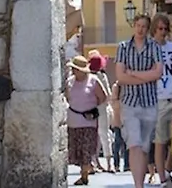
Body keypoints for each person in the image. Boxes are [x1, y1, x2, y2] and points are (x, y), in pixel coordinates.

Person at [115, 14, 164, 188]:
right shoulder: (123, 47)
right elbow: (120, 77)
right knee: (134, 144)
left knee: (144, 148)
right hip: (129, 102)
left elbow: (158, 73)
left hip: (149, 102)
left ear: (147, 29)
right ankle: (138, 185)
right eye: (138, 25)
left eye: (144, 26)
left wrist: (133, 73)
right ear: (134, 26)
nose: (140, 29)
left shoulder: (154, 47)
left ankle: (140, 182)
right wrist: (146, 76)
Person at [65, 55, 107, 186]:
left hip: (89, 121)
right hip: (73, 121)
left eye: (75, 69)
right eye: (73, 69)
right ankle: (83, 171)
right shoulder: (70, 82)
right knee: (76, 150)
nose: (73, 71)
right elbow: (67, 97)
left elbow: (103, 97)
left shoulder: (93, 81)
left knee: (87, 149)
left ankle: (84, 175)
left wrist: (92, 108)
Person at [152, 13, 172, 187]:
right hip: (158, 99)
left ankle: (168, 170)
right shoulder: (148, 49)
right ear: (154, 30)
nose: (163, 32)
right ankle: (162, 178)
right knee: (160, 141)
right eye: (160, 29)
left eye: (165, 29)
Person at [87, 50, 114, 173]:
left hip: (90, 108)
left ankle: (95, 162)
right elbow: (108, 94)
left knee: (93, 135)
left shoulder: (87, 77)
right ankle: (109, 163)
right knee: (104, 135)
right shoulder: (102, 76)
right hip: (102, 107)